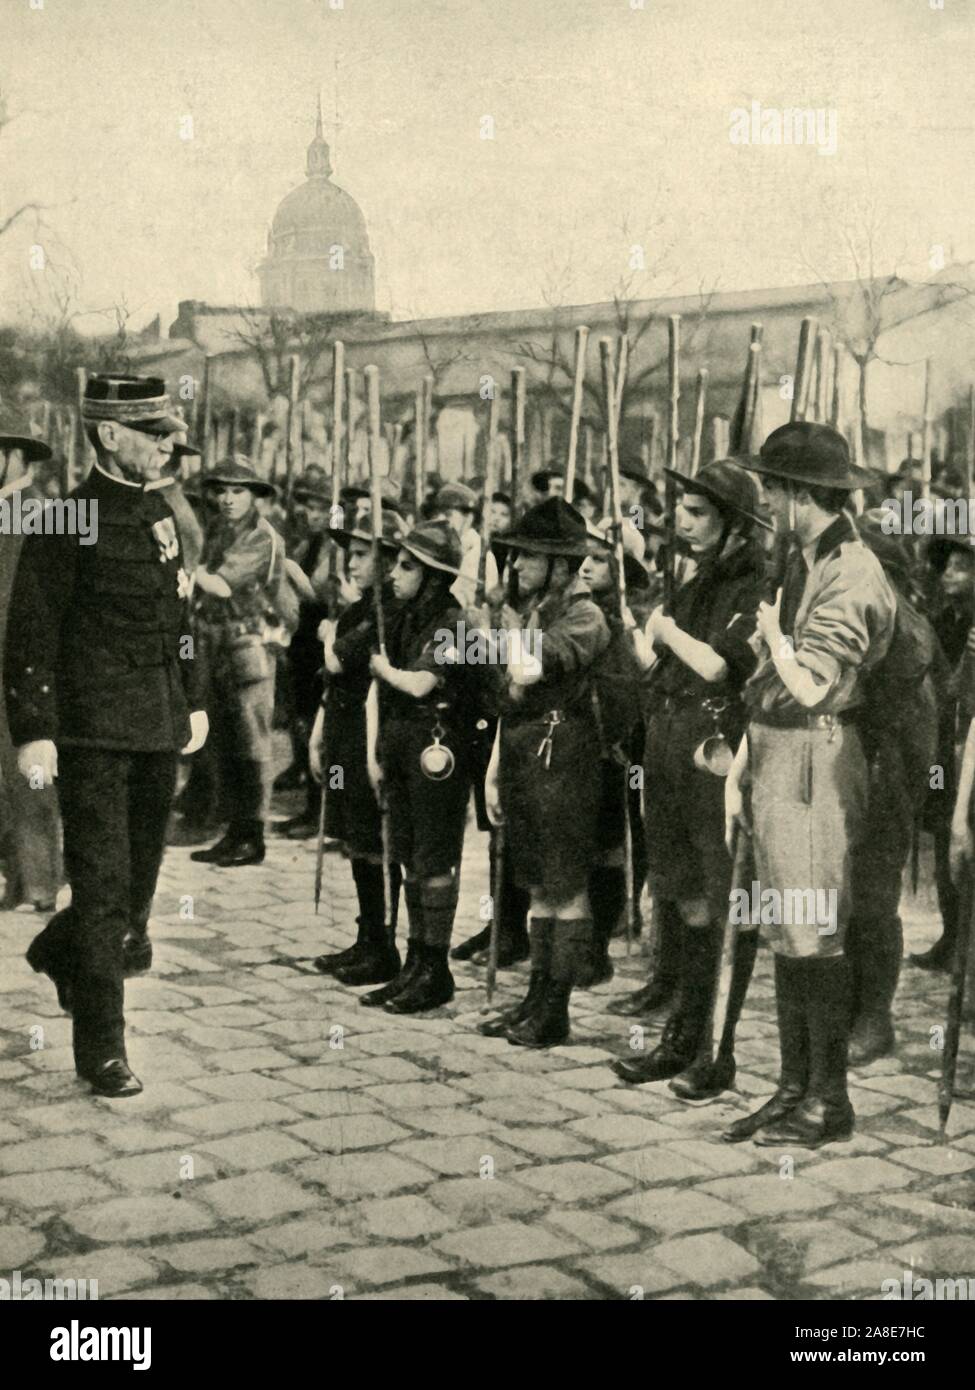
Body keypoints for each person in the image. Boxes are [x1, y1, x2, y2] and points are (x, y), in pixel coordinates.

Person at [5, 375, 207, 1098]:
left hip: (156, 726)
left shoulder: (160, 518)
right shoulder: (69, 519)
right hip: (91, 734)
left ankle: (60, 953)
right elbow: (33, 631)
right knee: (102, 890)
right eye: (154, 434)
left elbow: (181, 621)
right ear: (111, 435)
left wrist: (194, 699)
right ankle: (103, 1051)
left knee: (137, 892)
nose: (166, 447)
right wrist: (36, 730)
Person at [723, 423, 895, 1149]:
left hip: (814, 759)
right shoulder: (801, 558)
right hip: (775, 753)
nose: (765, 500)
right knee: (784, 929)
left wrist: (775, 638)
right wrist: (739, 766)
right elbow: (770, 685)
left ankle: (828, 1101)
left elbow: (813, 684)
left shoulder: (852, 571)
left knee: (812, 929)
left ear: (800, 495)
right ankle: (792, 1088)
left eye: (771, 488)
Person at [610, 461, 768, 1095]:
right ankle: (683, 1033)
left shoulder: (755, 583)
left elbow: (715, 668)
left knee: (722, 898)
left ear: (733, 524)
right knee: (680, 894)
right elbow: (664, 665)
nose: (682, 520)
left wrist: (667, 630)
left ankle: (715, 1050)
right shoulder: (694, 576)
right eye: (682, 509)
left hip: (714, 753)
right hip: (669, 744)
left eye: (699, 513)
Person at [479, 497, 610, 1047]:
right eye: (514, 557)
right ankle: (534, 995)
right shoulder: (536, 610)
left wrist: (502, 624)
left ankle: (555, 1008)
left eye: (529, 557)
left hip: (566, 757)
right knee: (536, 883)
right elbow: (507, 698)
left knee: (564, 884)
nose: (516, 567)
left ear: (561, 564)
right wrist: (492, 770)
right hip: (525, 748)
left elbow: (527, 668)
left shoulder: (584, 615)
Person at [360, 520, 476, 1014]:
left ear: (432, 575)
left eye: (407, 566)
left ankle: (437, 967)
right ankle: (413, 962)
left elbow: (422, 684)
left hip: (441, 745)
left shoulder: (458, 623)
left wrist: (383, 670)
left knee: (434, 857)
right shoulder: (403, 615)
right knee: (406, 852)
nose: (394, 574)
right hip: (405, 738)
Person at [846, 511, 939, 1064]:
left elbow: (897, 718)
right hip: (859, 769)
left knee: (874, 900)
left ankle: (874, 1018)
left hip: (888, 774)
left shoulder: (906, 630)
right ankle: (854, 1005)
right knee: (847, 899)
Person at [309, 508, 404, 984]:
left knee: (374, 837)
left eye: (364, 555)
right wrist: (317, 732)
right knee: (354, 836)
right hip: (344, 727)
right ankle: (366, 936)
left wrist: (329, 637)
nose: (351, 562)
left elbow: (344, 660)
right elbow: (331, 675)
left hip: (371, 731)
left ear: (388, 561)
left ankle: (384, 945)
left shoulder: (386, 609)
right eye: (350, 553)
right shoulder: (359, 604)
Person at [190, 459, 291, 869]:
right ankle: (233, 831)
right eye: (223, 491)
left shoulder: (261, 537)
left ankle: (252, 835)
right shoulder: (218, 529)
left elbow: (219, 583)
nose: (228, 499)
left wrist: (181, 567)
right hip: (216, 641)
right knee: (226, 742)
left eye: (239, 491)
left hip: (248, 642)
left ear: (255, 496)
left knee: (253, 744)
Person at [0, 435, 63, 913]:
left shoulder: (39, 512)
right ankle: (15, 878)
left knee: (30, 774)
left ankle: (40, 881)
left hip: (23, 662)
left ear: (14, 456)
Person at [275, 473, 335, 839]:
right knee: (302, 722)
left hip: (320, 639)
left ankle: (321, 810)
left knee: (318, 725)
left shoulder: (335, 549)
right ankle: (310, 805)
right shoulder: (308, 543)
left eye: (320, 509)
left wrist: (290, 569)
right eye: (309, 508)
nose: (312, 515)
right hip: (302, 639)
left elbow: (319, 592)